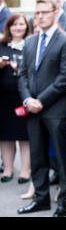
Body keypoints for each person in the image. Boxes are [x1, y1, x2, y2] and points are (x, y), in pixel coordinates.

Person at [17, 0, 66, 217]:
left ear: (55, 12)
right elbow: (23, 74)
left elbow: (64, 78)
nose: (40, 16)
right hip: (32, 110)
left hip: (55, 109)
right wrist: (27, 100)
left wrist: (40, 101)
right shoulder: (30, 41)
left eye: (44, 12)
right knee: (38, 157)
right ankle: (41, 198)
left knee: (64, 159)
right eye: (37, 13)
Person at [0, 13, 32, 184]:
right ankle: (8, 169)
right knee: (5, 136)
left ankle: (25, 170)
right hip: (4, 98)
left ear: (26, 27)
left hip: (23, 97)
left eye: (21, 24)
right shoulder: (2, 45)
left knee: (24, 136)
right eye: (15, 24)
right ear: (9, 27)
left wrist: (18, 67)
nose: (18, 27)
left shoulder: (31, 45)